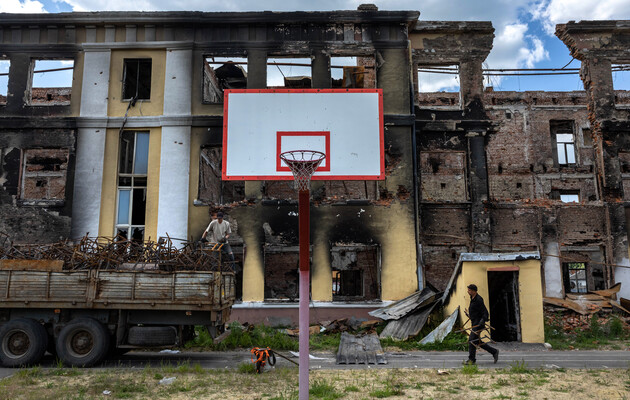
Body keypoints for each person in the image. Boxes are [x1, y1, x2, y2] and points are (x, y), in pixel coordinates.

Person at [465, 284, 499, 364]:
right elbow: (476, 312)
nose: (468, 291)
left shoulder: (479, 299)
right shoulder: (472, 298)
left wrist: (482, 320)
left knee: (471, 340)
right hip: (474, 323)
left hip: (478, 324)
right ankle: (494, 351)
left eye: (469, 290)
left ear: (474, 291)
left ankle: (471, 360)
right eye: (468, 290)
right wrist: (469, 315)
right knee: (477, 342)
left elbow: (485, 312)